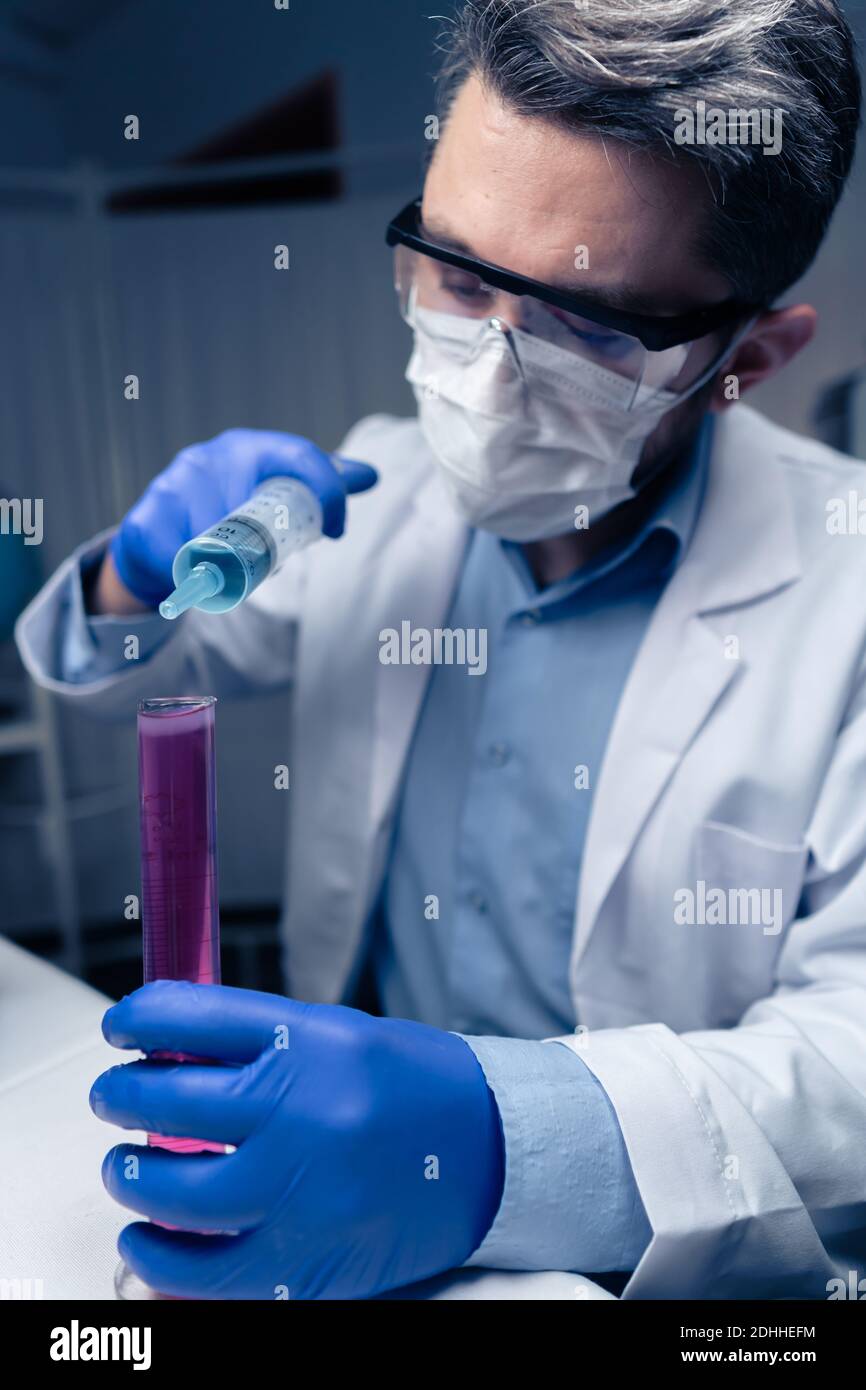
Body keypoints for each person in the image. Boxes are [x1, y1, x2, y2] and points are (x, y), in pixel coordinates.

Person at [17, 0, 866, 1300]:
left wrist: (500, 1138)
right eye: (457, 274)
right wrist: (134, 577)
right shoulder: (374, 490)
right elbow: (141, 679)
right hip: (309, 1222)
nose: (480, 378)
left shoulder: (844, 588)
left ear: (744, 357)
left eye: (587, 324)